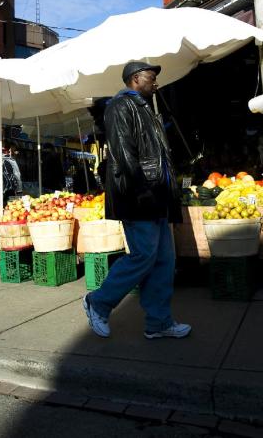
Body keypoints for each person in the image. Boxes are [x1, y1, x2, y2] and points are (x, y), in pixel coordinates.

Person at [82, 61, 190, 340]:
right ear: (135, 79)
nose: (155, 83)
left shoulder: (145, 109)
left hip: (157, 197)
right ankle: (99, 302)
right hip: (140, 196)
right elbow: (124, 154)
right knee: (144, 255)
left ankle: (159, 322)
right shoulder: (121, 106)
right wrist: (141, 190)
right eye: (151, 78)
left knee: (164, 260)